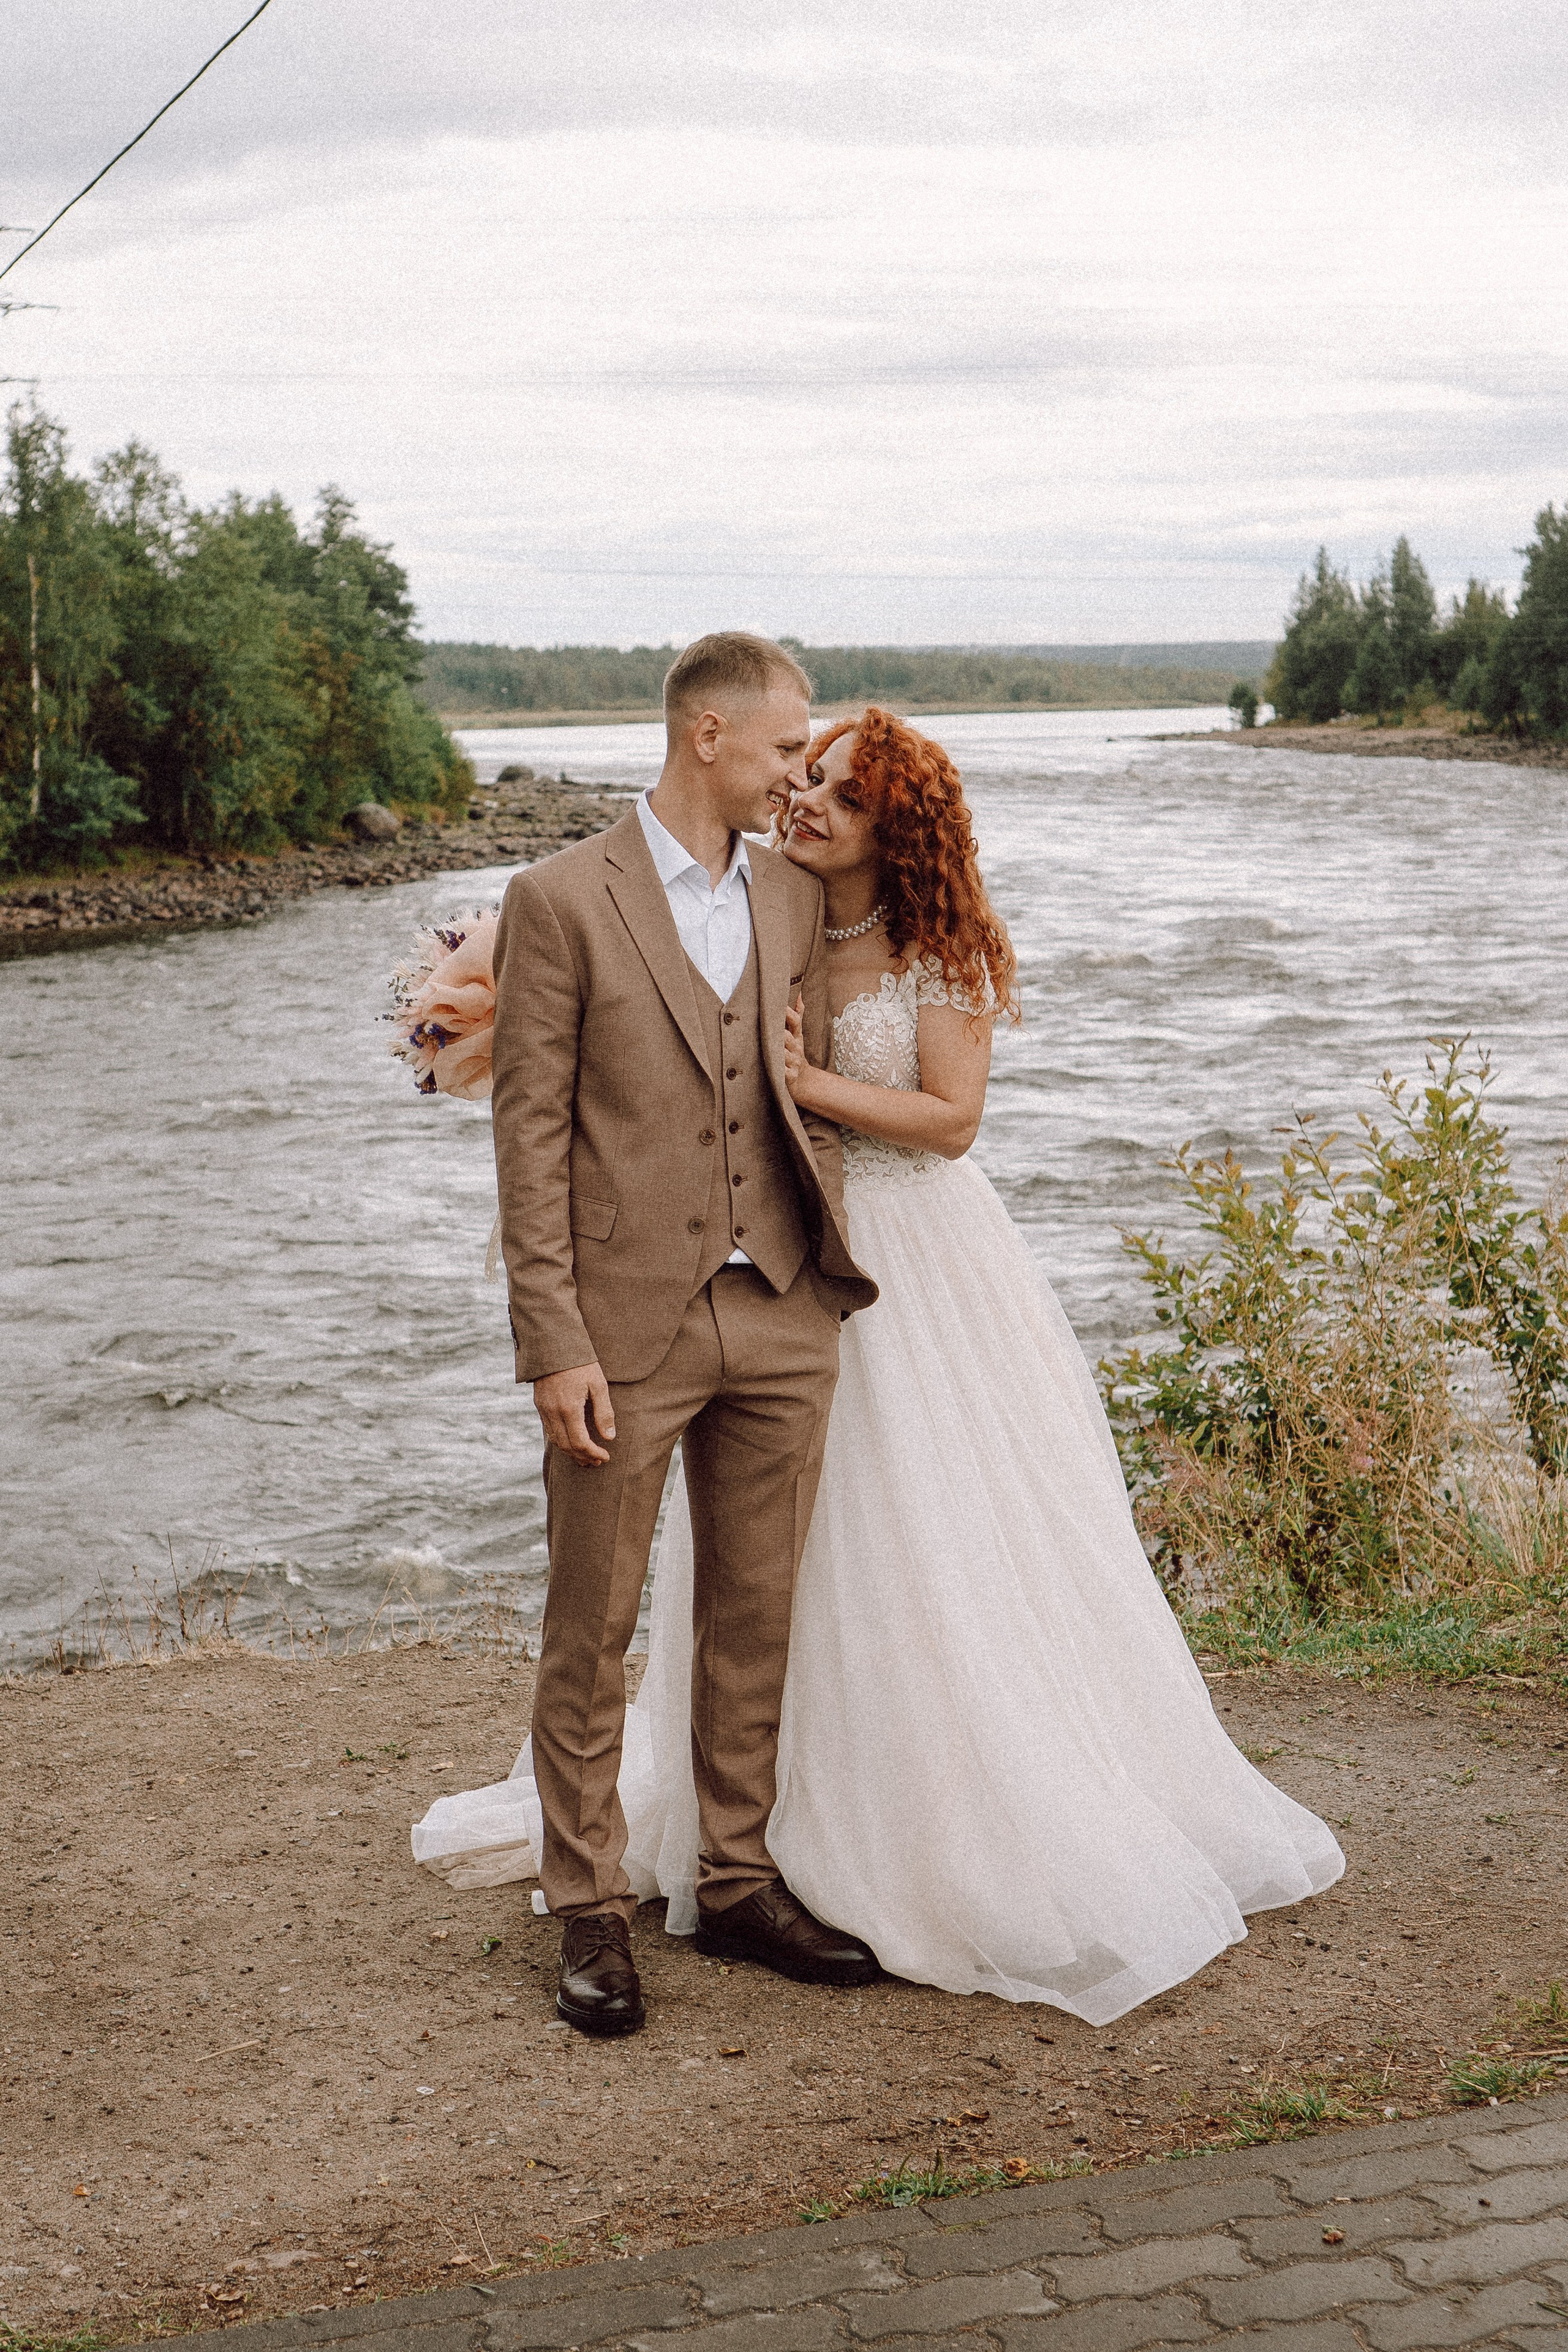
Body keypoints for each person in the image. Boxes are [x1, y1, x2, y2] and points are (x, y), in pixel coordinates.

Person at [414, 701, 1344, 2028]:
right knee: (727, 1582)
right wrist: (478, 994)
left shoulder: (937, 942)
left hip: (913, 1266)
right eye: (804, 778)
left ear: (892, 830)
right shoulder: (769, 890)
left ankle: (897, 1831)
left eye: (838, 795)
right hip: (763, 1267)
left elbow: (951, 1120)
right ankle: (661, 1877)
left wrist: (807, 1086)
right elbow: (628, 938)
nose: (805, 803)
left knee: (915, 1554)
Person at [483, 631, 880, 2040]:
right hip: (622, 1327)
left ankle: (735, 1878)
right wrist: (553, 1339)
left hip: (777, 1306)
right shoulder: (555, 898)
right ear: (706, 735)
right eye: (784, 749)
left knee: (754, 1613)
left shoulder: (789, 890)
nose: (798, 774)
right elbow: (527, 1137)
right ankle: (586, 1903)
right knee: (589, 1626)